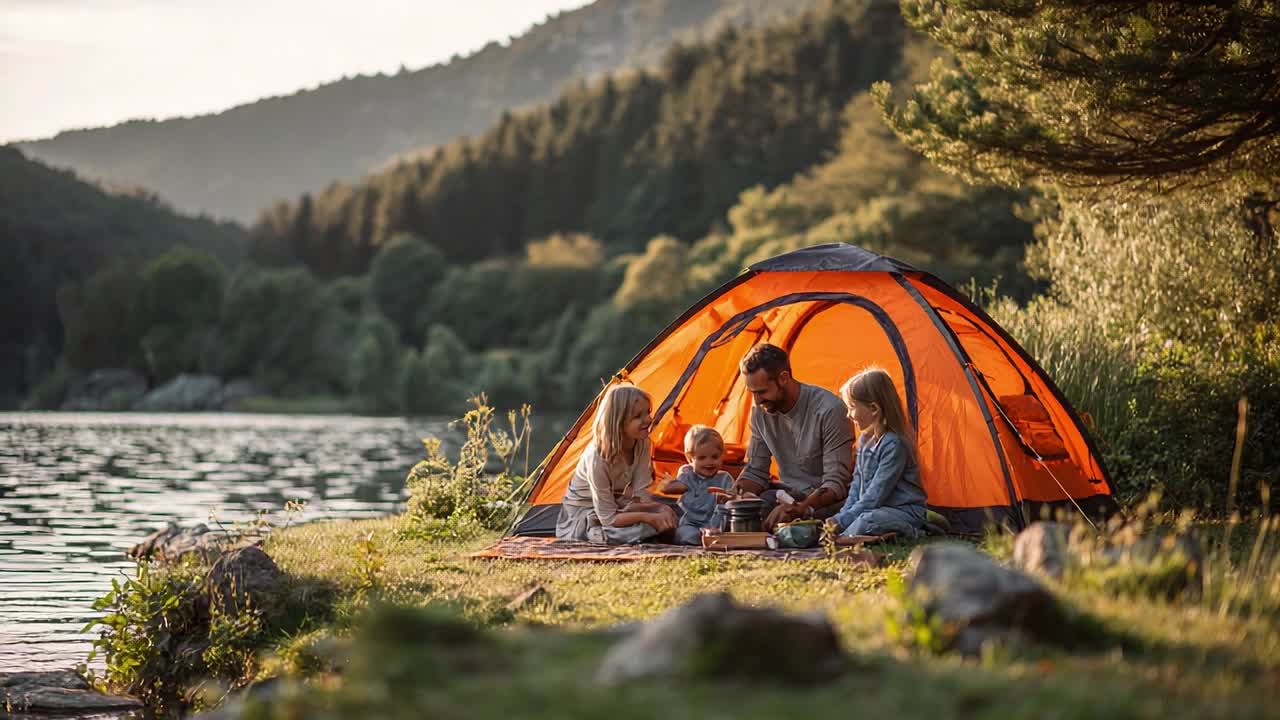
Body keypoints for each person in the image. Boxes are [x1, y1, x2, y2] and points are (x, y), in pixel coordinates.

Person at [733, 343, 854, 531]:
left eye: (762, 392)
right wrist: (735, 497)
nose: (757, 401)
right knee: (741, 512)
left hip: (823, 502)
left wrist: (800, 509)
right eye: (752, 393)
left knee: (829, 516)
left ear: (783, 378)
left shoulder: (829, 410)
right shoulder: (760, 412)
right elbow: (756, 471)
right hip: (785, 495)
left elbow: (836, 483)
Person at [556, 383, 677, 544]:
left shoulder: (642, 443)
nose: (648, 420)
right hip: (585, 516)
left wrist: (659, 509)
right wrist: (647, 517)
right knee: (646, 527)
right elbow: (608, 518)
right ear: (618, 422)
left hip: (619, 506)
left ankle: (645, 531)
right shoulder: (598, 457)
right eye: (637, 416)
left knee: (670, 514)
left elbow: (640, 497)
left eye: (648, 412)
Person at [827, 366, 927, 539]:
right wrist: (840, 518)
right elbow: (856, 488)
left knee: (868, 521)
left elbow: (876, 495)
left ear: (873, 408)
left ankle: (915, 531)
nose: (848, 415)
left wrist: (842, 524)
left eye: (851, 407)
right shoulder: (865, 441)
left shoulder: (893, 444)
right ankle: (845, 535)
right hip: (875, 508)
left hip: (902, 511)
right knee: (858, 519)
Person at [658, 425, 733, 545]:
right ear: (690, 458)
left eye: (715, 457)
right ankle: (698, 539)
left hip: (715, 521)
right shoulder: (687, 473)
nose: (709, 462)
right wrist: (670, 486)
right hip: (691, 522)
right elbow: (676, 486)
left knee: (726, 527)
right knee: (685, 534)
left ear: (722, 456)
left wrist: (726, 499)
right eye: (702, 458)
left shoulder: (724, 478)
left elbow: (732, 498)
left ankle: (712, 538)